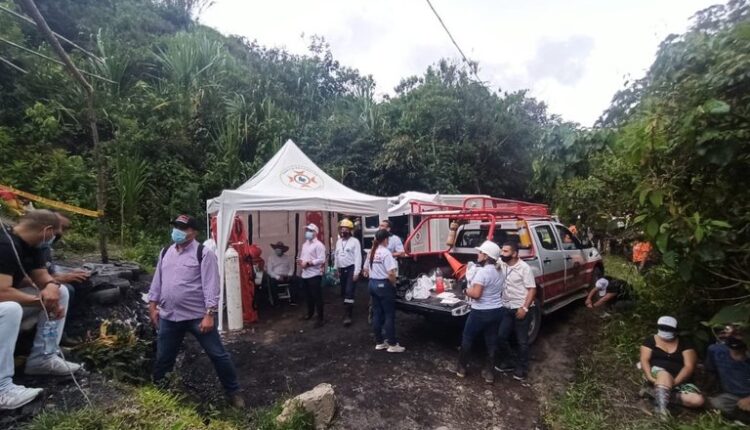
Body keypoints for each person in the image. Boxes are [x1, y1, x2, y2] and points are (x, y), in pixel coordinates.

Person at [148, 214, 244, 408]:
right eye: (176, 227)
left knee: (218, 355)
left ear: (193, 232)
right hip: (169, 316)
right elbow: (158, 280)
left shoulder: (203, 253)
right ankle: (159, 398)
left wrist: (210, 314)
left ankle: (234, 393)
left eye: (183, 228)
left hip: (196, 317)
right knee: (164, 358)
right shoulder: (165, 251)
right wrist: (152, 306)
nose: (177, 231)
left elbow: (211, 285)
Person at [0, 210, 82, 409]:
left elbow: (42, 277)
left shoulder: (33, 246)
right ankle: (2, 388)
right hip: (3, 298)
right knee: (10, 309)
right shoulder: (5, 245)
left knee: (61, 292)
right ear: (46, 231)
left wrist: (52, 288)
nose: (56, 238)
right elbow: (2, 292)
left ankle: (43, 358)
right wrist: (40, 301)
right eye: (56, 233)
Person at [454, 240, 504, 383]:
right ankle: (489, 373)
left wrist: (465, 289)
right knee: (491, 340)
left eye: (481, 252)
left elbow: (476, 294)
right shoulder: (499, 270)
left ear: (487, 256)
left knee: (468, 337)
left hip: (481, 312)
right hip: (496, 310)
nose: (478, 254)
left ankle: (461, 368)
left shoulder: (482, 272)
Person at [639, 316, 704, 418]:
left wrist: (674, 383)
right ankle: (661, 410)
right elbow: (644, 360)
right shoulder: (650, 340)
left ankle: (655, 394)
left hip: (679, 380)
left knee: (697, 401)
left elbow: (689, 366)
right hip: (658, 374)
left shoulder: (685, 343)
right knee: (665, 374)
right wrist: (650, 377)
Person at [495, 241, 536, 381]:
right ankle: (510, 361)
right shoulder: (502, 263)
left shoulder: (524, 268)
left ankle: (522, 368)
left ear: (514, 254)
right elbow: (493, 264)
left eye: (506, 251)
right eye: (502, 250)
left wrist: (524, 308)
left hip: (520, 308)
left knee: (522, 341)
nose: (502, 253)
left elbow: (532, 289)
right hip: (506, 308)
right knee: (501, 337)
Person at [363, 229, 404, 353]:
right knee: (388, 314)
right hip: (383, 285)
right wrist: (393, 283)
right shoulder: (386, 253)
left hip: (372, 284)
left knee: (377, 313)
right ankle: (392, 344)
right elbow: (391, 273)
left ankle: (380, 342)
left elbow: (364, 270)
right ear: (386, 239)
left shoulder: (371, 251)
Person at [706, 325, 750, 422]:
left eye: (738, 334)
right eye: (731, 333)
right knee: (717, 404)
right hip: (732, 397)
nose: (734, 337)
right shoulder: (716, 351)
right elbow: (712, 373)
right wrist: (707, 391)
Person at [334, 219, 362, 327]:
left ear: (350, 230)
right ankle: (346, 309)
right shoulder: (338, 242)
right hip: (342, 269)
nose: (343, 231)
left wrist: (356, 272)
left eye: (345, 229)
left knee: (349, 292)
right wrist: (336, 268)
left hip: (351, 269)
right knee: (343, 292)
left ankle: (348, 315)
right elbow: (336, 256)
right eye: (341, 228)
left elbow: (358, 257)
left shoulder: (355, 241)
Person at [298, 224, 326, 328]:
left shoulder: (319, 245)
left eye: (310, 230)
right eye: (307, 230)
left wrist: (309, 263)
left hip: (314, 274)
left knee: (317, 297)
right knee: (308, 296)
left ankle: (320, 318)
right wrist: (301, 262)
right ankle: (310, 313)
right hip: (305, 274)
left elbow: (322, 259)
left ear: (315, 232)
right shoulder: (305, 244)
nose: (307, 232)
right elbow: (302, 256)